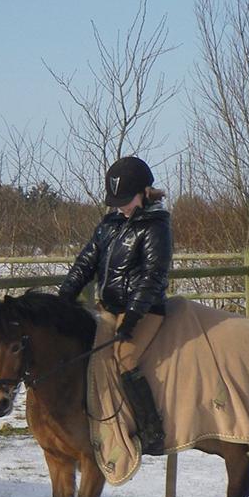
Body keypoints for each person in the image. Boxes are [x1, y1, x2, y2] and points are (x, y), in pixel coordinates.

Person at [58, 156, 170, 455]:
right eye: (116, 200)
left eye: (126, 200)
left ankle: (151, 429)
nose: (120, 206)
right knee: (88, 355)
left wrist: (132, 318)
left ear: (145, 193)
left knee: (124, 357)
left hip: (145, 311)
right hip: (109, 309)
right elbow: (85, 263)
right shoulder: (109, 225)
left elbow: (153, 277)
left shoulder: (156, 227)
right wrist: (64, 297)